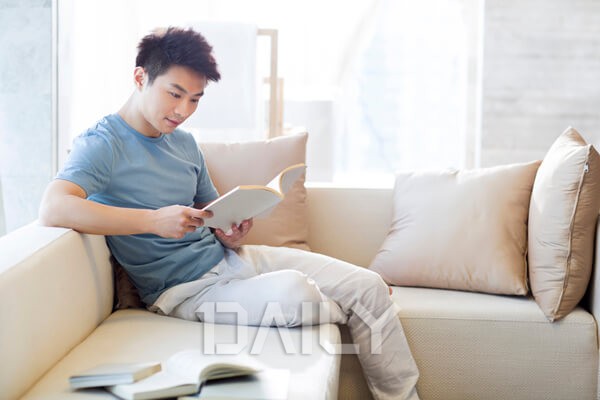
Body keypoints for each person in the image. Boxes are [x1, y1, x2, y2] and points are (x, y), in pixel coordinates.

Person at [39, 27, 419, 400]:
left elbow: (213, 214)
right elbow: (54, 206)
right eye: (175, 94)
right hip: (186, 291)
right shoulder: (103, 143)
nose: (183, 111)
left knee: (369, 285)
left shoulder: (185, 144)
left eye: (195, 99)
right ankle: (355, 306)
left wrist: (231, 231)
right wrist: (153, 221)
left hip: (236, 259)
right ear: (140, 78)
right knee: (298, 293)